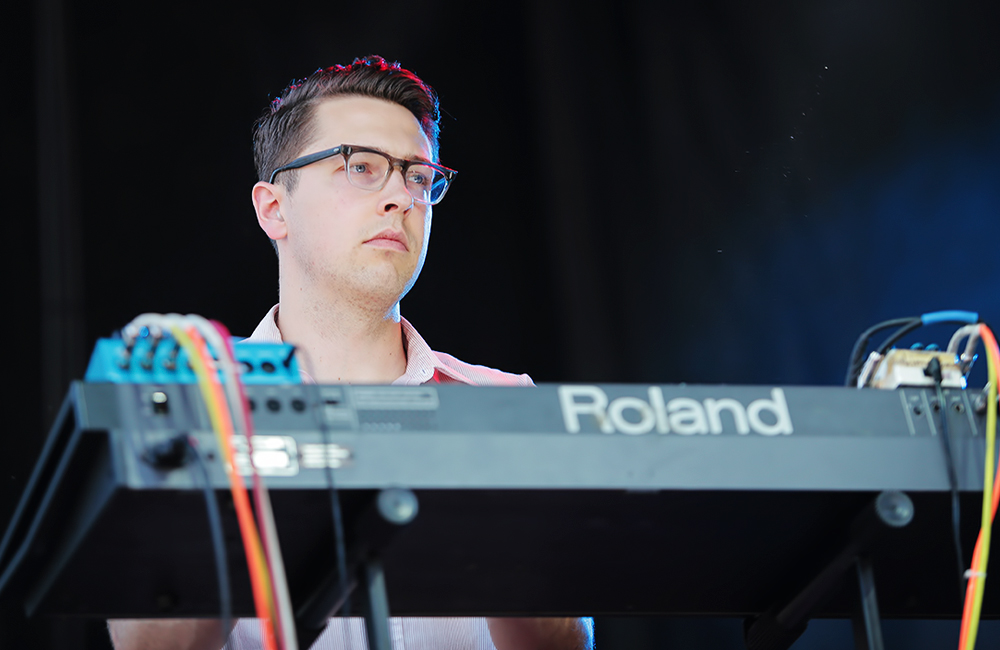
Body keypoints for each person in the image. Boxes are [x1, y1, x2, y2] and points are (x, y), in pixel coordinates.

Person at [109, 56, 593, 650]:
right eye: (362, 167)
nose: (401, 196)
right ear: (273, 209)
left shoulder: (504, 404)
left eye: (418, 176)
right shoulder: (189, 397)